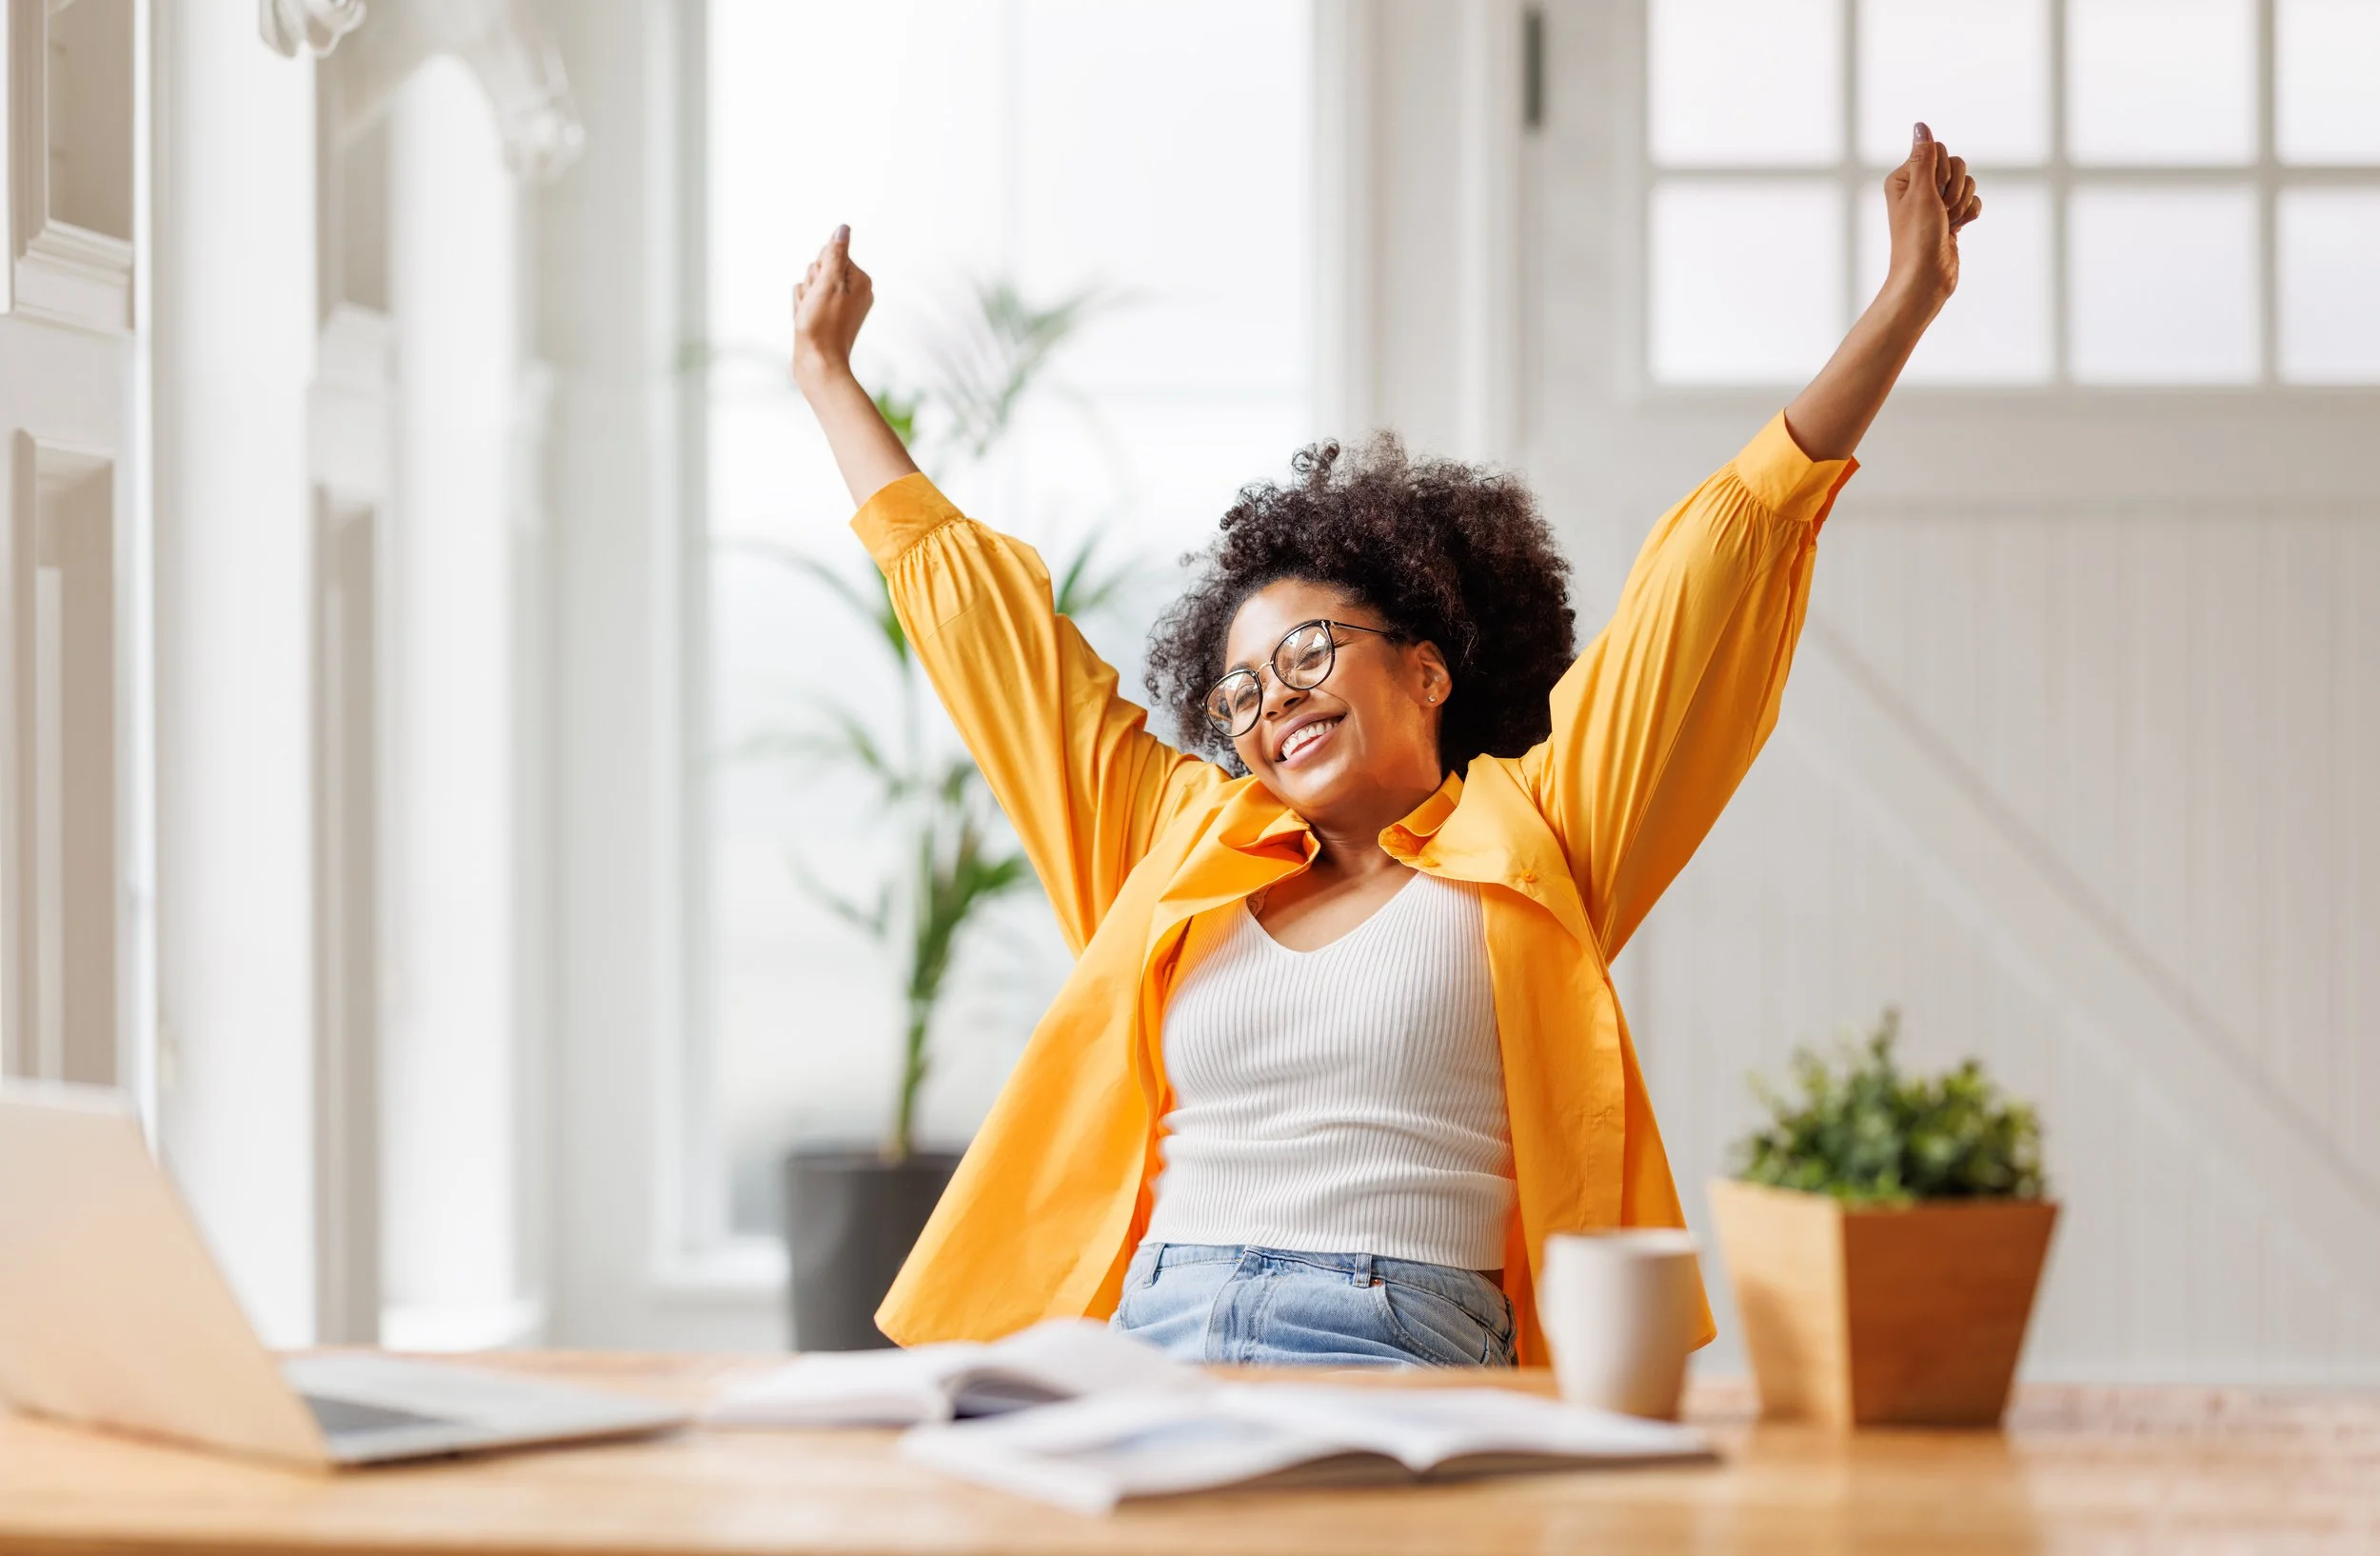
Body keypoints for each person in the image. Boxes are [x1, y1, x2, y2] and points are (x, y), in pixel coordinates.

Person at [788, 126, 1982, 1367]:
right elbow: (998, 646)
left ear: (1427, 667)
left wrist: (1904, 304)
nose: (1273, 702)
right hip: (1152, 1326)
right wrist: (830, 379)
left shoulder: (1538, 835)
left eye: (1308, 654)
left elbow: (1713, 577)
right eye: (1242, 689)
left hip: (1392, 1333)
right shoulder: (1179, 844)